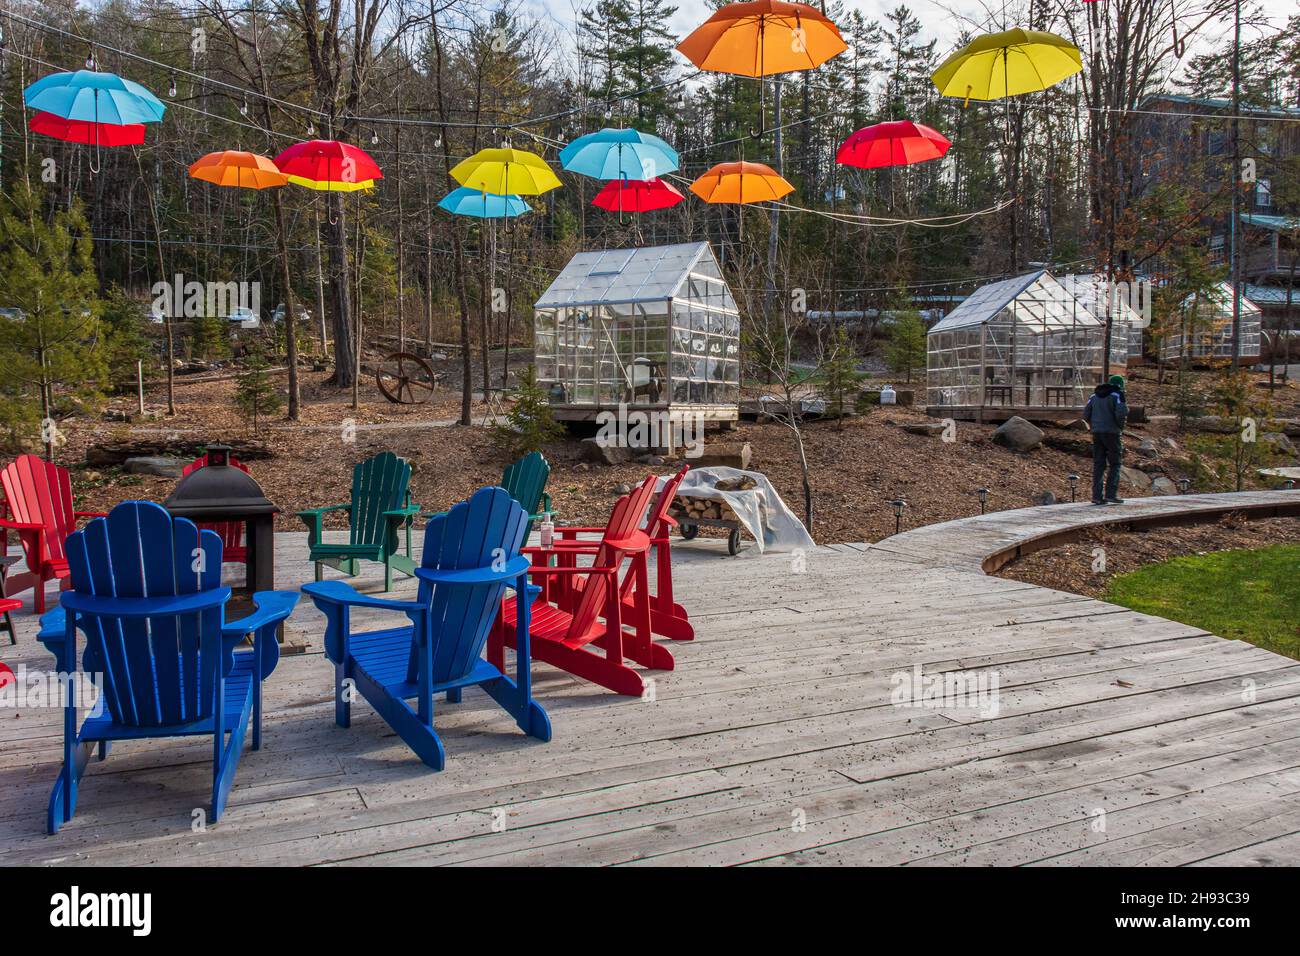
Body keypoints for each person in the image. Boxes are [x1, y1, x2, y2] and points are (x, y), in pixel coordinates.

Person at [1083, 373, 1128, 505]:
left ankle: (1097, 496)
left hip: (1097, 433)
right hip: (1112, 433)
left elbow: (1086, 414)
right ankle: (1111, 494)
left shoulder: (1094, 395)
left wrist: (1094, 425)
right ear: (1120, 385)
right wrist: (1120, 427)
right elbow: (1121, 413)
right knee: (1115, 463)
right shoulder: (1118, 395)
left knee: (1099, 463)